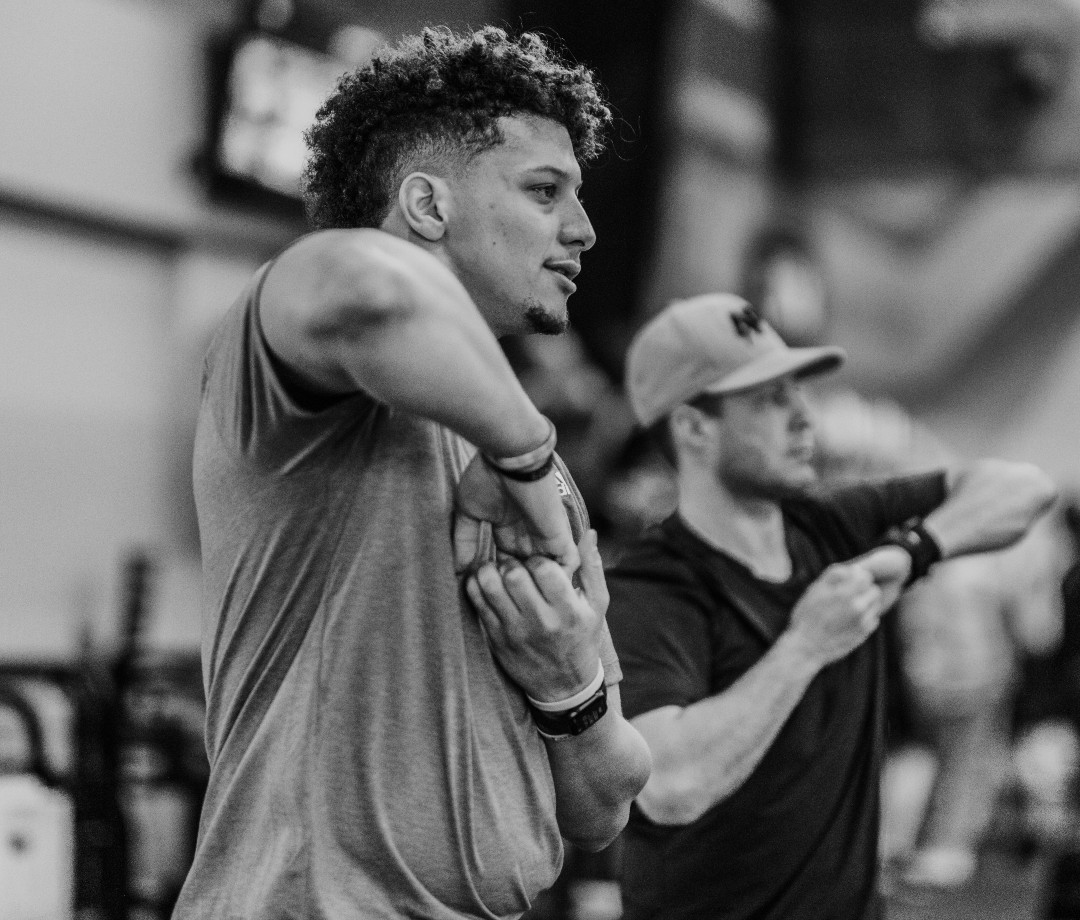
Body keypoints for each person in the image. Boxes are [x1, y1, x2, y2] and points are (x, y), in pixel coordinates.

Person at [172, 26, 651, 920]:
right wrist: (527, 449)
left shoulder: (518, 460)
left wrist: (569, 688)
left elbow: (603, 804)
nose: (583, 231)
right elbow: (373, 293)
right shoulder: (297, 350)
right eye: (544, 192)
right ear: (426, 207)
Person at [605, 292, 1057, 920]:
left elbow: (1022, 489)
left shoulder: (831, 523)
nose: (803, 416)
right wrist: (805, 645)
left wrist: (913, 550)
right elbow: (671, 787)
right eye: (770, 399)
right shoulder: (653, 589)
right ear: (693, 427)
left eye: (798, 391)